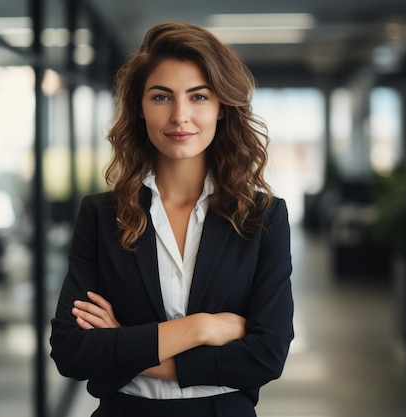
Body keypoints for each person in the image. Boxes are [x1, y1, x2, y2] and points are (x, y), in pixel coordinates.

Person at [50, 20, 294, 417]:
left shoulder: (263, 217)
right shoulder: (101, 215)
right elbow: (72, 351)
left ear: (221, 109)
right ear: (140, 110)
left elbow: (267, 356)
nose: (180, 116)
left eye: (198, 97)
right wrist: (201, 329)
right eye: (161, 97)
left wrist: (122, 344)